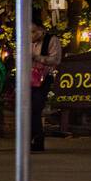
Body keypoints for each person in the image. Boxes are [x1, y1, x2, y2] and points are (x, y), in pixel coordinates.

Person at [30, 18, 63, 152]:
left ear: (41, 30)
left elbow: (56, 59)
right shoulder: (27, 40)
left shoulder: (51, 40)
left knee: (36, 108)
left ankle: (37, 140)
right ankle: (31, 139)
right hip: (28, 77)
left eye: (33, 32)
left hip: (43, 78)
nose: (31, 35)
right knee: (28, 108)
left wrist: (37, 58)